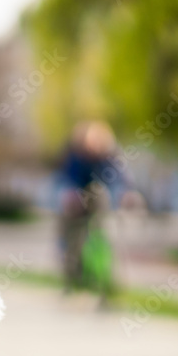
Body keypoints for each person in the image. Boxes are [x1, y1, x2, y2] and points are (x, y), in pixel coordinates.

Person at [56, 120, 124, 293]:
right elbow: (69, 180)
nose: (94, 147)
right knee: (72, 239)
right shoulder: (76, 157)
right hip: (78, 206)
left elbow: (119, 179)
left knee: (103, 236)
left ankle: (105, 281)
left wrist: (126, 194)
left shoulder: (108, 159)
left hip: (99, 205)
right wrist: (72, 195)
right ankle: (73, 279)